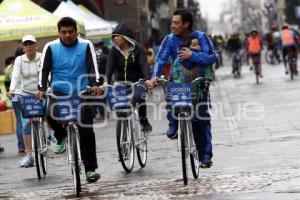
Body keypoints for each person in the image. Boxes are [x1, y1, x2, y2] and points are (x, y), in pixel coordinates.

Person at [146, 8, 216, 168]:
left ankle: (205, 156)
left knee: (201, 120)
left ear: (186, 24)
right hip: (177, 82)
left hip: (199, 83)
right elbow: (161, 58)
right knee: (170, 100)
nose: (172, 25)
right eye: (172, 22)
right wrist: (154, 77)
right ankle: (174, 125)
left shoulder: (200, 37)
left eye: (176, 23)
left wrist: (193, 55)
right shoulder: (169, 39)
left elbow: (212, 56)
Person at [37, 17, 101, 183]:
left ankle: (90, 169)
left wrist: (95, 84)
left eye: (70, 32)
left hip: (82, 90)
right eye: (63, 32)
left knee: (86, 129)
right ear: (58, 33)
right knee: (50, 114)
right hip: (59, 91)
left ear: (76, 32)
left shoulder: (87, 45)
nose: (67, 35)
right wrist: (42, 89)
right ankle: (60, 134)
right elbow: (44, 70)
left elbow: (92, 67)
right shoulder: (50, 47)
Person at [103, 22, 152, 133]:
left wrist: (148, 79)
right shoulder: (113, 51)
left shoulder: (138, 49)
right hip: (120, 84)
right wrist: (106, 81)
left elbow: (144, 65)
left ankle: (143, 120)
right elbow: (109, 68)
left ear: (125, 37)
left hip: (137, 81)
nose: (115, 39)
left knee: (140, 97)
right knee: (120, 108)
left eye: (117, 36)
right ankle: (124, 129)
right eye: (113, 36)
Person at [8, 35, 41, 167]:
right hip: (25, 93)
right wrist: (11, 90)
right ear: (23, 47)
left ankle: (52, 135)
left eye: (31, 44)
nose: (29, 47)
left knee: (50, 111)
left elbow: (47, 73)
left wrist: (47, 88)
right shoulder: (19, 60)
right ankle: (29, 155)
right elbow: (15, 75)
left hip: (41, 92)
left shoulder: (42, 57)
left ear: (36, 46)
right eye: (26, 45)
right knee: (26, 123)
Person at [4, 48, 25, 153]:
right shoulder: (26, 66)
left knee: (19, 122)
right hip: (27, 96)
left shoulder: (9, 69)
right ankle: (35, 142)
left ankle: (21, 146)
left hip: (15, 98)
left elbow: (6, 83)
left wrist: (9, 92)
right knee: (30, 120)